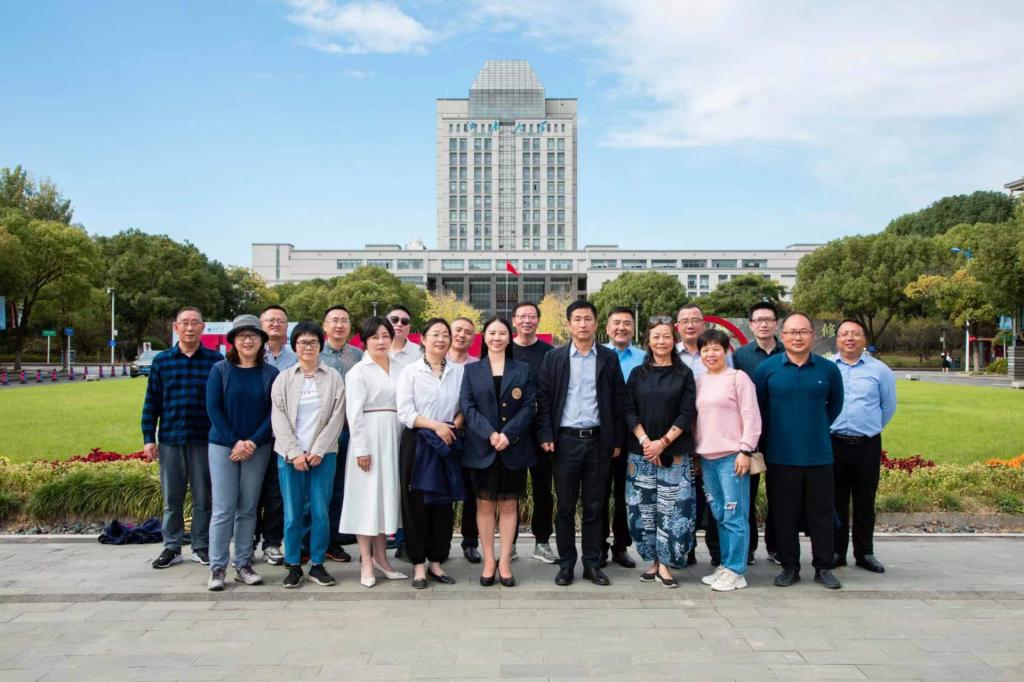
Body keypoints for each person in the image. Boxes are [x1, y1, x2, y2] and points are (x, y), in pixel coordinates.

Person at [537, 300, 627, 587]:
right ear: (569, 324)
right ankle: (566, 564)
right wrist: (546, 435)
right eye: (577, 319)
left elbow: (618, 400)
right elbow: (544, 399)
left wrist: (616, 439)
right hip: (564, 442)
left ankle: (592, 563)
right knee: (564, 507)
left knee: (594, 506)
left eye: (588, 319)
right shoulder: (554, 358)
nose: (583, 324)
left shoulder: (608, 358)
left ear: (596, 323)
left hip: (598, 441)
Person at [753, 312, 844, 590]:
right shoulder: (767, 369)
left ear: (812, 335)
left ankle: (823, 567)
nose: (798, 337)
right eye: (792, 332)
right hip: (780, 456)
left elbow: (835, 405)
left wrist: (815, 427)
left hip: (818, 455)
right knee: (784, 514)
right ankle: (790, 567)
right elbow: (758, 409)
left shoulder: (828, 370)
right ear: (783, 336)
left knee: (822, 514)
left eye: (803, 332)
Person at [142, 306, 223, 569]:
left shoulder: (215, 361)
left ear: (203, 327)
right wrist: (148, 437)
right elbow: (152, 402)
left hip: (204, 439)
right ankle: (172, 546)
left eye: (195, 323)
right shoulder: (162, 361)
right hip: (170, 439)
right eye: (184, 323)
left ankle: (201, 546)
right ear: (176, 327)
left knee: (204, 498)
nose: (190, 328)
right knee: (172, 499)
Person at [269, 322, 347, 588]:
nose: (308, 347)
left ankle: (317, 564)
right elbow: (278, 417)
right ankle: (293, 564)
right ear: (294, 346)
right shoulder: (284, 378)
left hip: (323, 456)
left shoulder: (333, 377)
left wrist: (318, 450)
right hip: (290, 457)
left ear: (320, 345)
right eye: (302, 342)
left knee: (320, 512)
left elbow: (337, 417)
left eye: (313, 342)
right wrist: (294, 453)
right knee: (292, 514)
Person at [205, 315, 279, 590]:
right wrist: (235, 442)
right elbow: (214, 409)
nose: (248, 341)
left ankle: (244, 563)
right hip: (223, 446)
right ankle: (217, 567)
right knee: (223, 509)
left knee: (248, 509)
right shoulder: (220, 370)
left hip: (257, 448)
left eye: (253, 336)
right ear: (233, 341)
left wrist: (252, 443)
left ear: (261, 341)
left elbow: (274, 413)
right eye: (242, 336)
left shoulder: (270, 374)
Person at [460, 317, 536, 587]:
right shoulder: (472, 370)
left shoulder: (523, 370)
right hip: (482, 447)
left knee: (508, 505)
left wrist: (507, 434)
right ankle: (489, 560)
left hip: (513, 448)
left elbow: (529, 406)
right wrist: (490, 434)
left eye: (502, 333)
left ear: (509, 336)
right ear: (484, 336)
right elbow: (467, 407)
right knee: (484, 505)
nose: (497, 338)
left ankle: (505, 561)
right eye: (491, 333)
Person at [623, 316, 697, 588]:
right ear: (648, 341)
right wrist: (646, 441)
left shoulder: (684, 374)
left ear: (673, 340)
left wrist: (662, 442)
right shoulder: (637, 374)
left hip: (674, 451)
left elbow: (687, 412)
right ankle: (652, 560)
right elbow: (628, 410)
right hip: (641, 452)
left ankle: (666, 564)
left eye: (666, 336)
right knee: (643, 508)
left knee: (673, 508)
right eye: (656, 337)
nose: (661, 341)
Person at [397, 318, 465, 589]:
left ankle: (437, 562)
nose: (440, 339)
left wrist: (452, 427)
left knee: (443, 505)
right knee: (416, 504)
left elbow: (464, 407)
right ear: (422, 339)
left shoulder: (459, 371)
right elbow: (405, 412)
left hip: (448, 441)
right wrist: (437, 426)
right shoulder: (410, 372)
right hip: (419, 442)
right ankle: (418, 565)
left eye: (445, 334)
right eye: (435, 334)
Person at [340, 316, 407, 587]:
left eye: (385, 336)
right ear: (365, 341)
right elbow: (353, 414)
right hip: (368, 436)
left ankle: (382, 558)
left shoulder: (401, 367)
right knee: (366, 499)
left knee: (385, 499)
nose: (381, 341)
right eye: (374, 337)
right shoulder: (358, 372)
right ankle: (366, 560)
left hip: (395, 435)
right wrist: (361, 449)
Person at [695, 328, 762, 592]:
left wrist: (745, 451)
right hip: (707, 458)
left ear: (726, 351)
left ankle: (737, 570)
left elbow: (751, 416)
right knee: (720, 514)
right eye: (705, 350)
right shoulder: (700, 381)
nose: (710, 354)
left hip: (732, 457)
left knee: (735, 515)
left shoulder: (738, 378)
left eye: (716, 348)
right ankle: (725, 565)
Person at [831, 319, 897, 574]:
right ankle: (837, 551)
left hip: (866, 444)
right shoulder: (828, 367)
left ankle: (864, 552)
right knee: (835, 500)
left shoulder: (880, 370)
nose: (850, 338)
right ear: (837, 339)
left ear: (864, 339)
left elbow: (888, 407)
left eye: (855, 334)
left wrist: (868, 427)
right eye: (844, 334)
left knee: (865, 499)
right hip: (834, 441)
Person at [732, 301, 785, 566]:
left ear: (776, 323)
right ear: (751, 325)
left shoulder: (789, 353)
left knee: (781, 493)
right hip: (748, 437)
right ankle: (749, 547)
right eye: (758, 320)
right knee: (747, 493)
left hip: (781, 434)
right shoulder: (740, 356)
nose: (763, 324)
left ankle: (776, 546)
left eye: (768, 319)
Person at [511, 301, 557, 565]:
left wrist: (548, 432)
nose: (527, 320)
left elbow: (552, 395)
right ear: (514, 321)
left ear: (538, 320)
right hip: (512, 432)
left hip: (541, 432)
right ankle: (510, 543)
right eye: (522, 316)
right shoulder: (505, 350)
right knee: (511, 490)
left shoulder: (549, 354)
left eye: (531, 316)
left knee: (542, 489)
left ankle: (542, 541)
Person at [320, 305, 364, 564]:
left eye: (344, 321)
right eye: (334, 320)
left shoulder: (358, 355)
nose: (339, 325)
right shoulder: (315, 353)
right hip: (321, 433)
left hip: (349, 431)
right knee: (318, 491)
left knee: (340, 488)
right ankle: (313, 542)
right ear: (325, 326)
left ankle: (334, 541)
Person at [254, 305, 295, 567]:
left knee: (276, 493)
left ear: (287, 326)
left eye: (280, 320)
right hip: (255, 435)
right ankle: (247, 542)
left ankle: (272, 542)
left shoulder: (295, 358)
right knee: (251, 493)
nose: (275, 324)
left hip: (285, 436)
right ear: (261, 325)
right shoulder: (251, 356)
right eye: (270, 320)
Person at [601, 306, 642, 570]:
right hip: (604, 434)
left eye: (627, 323)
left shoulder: (643, 357)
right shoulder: (598, 355)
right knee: (600, 492)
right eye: (616, 323)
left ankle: (621, 546)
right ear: (607, 328)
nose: (621, 328)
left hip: (634, 435)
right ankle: (599, 546)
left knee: (626, 493)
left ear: (633, 328)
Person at [448, 316, 482, 564]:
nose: (462, 335)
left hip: (470, 436)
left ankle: (470, 542)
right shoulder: (436, 361)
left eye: (468, 332)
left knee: (472, 492)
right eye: (458, 330)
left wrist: (456, 423)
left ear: (473, 338)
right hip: (439, 435)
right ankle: (438, 543)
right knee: (440, 491)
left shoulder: (477, 365)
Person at [387, 305, 422, 370]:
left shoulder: (420, 353)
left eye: (404, 321)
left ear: (409, 327)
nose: (399, 324)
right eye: (394, 320)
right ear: (385, 323)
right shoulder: (374, 350)